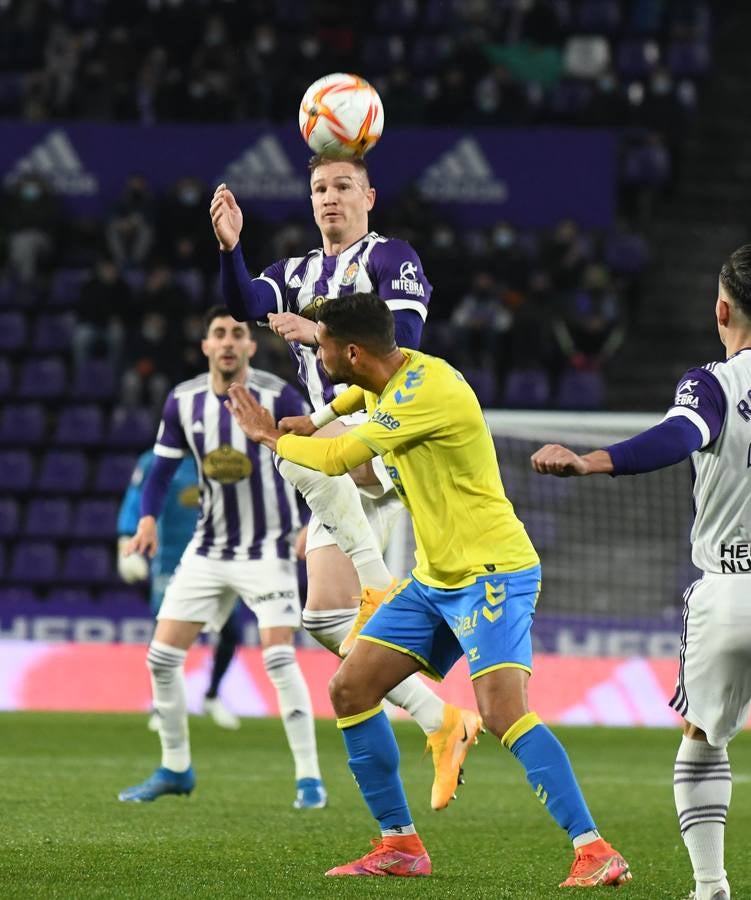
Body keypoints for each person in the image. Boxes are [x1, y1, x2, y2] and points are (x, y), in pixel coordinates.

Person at [225, 292, 630, 886]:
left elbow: (338, 458)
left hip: (491, 571)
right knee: (350, 688)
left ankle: (595, 850)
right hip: (435, 577)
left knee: (501, 713)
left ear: (353, 351)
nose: (318, 355)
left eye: (324, 346)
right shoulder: (397, 369)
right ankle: (400, 846)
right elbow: (357, 394)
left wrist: (269, 436)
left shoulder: (425, 394)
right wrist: (312, 418)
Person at [210, 155, 482, 810]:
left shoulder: (392, 257)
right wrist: (231, 248)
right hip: (335, 448)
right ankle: (442, 720)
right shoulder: (298, 271)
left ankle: (394, 586)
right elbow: (244, 302)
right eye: (318, 189)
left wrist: (322, 330)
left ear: (369, 196)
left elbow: (404, 339)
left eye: (341, 187)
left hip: (386, 435)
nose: (329, 198)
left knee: (290, 449)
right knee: (325, 615)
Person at [530, 244, 751, 900]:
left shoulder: (713, 383)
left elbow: (678, 435)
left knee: (702, 737)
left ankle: (709, 887)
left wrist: (589, 461)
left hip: (727, 590)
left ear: (720, 308)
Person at [118, 306, 325, 810]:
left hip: (270, 548)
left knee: (278, 656)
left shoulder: (279, 395)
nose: (229, 342)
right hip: (208, 549)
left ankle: (309, 779)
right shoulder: (183, 401)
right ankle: (175, 768)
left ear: (251, 346)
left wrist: (312, 521)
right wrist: (146, 519)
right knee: (162, 659)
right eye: (219, 334)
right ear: (206, 346)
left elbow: (320, 457)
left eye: (238, 333)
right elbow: (161, 471)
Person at [117, 449, 243, 730]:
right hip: (170, 559)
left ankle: (212, 695)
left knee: (230, 631)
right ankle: (162, 705)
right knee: (165, 636)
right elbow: (135, 499)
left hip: (220, 558)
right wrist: (126, 537)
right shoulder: (155, 460)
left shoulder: (224, 456)